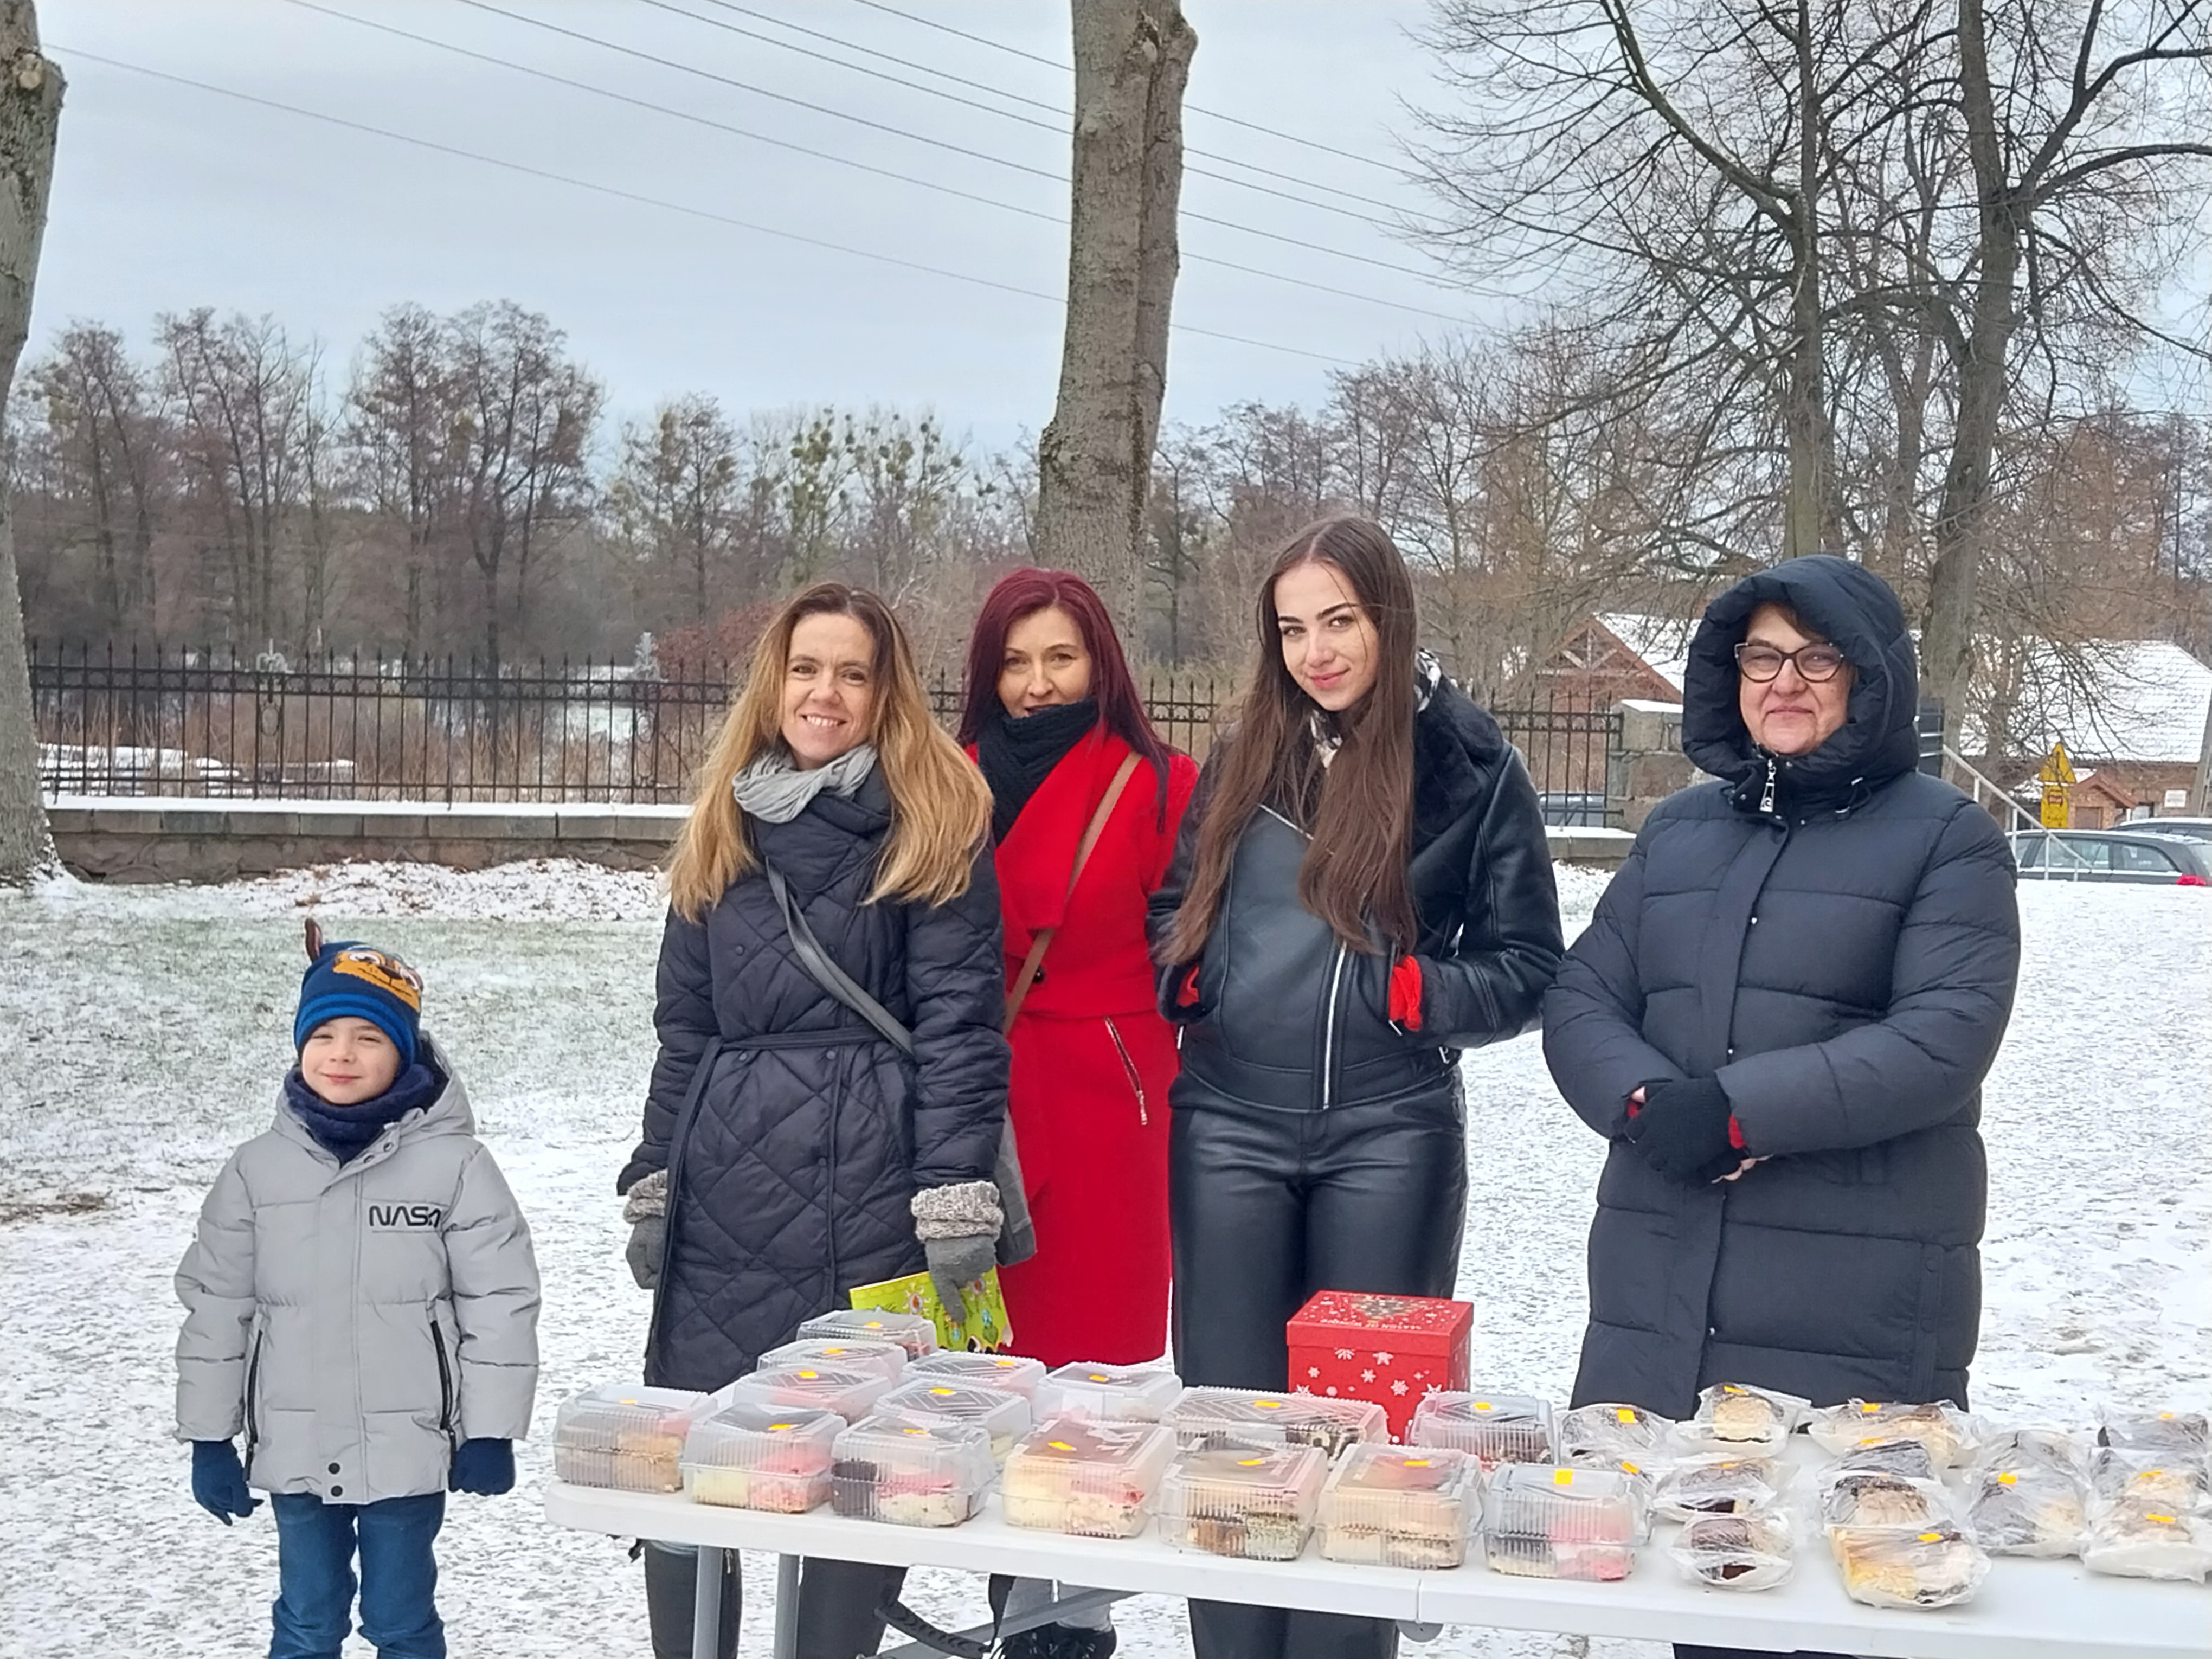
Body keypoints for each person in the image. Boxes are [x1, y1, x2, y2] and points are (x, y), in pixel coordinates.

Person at [1542, 555, 2021, 1659]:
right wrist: (1647, 1102)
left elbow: (1942, 1037)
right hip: (1666, 1282)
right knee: (1708, 1586)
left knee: (1841, 1594)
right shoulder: (1678, 833)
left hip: (1852, 1288)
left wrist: (1740, 1111)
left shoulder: (1948, 838)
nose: (1785, 682)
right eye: (1762, 657)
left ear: (1871, 677)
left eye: (1817, 658)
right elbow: (1583, 996)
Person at [1148, 516, 1565, 1659]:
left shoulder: (1472, 768)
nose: (1317, 652)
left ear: (1389, 616)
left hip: (1391, 1137)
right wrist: (1190, 977)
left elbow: (1533, 965)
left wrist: (1422, 994)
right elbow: (1175, 902)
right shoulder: (1246, 751)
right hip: (1228, 1127)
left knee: (1363, 1440)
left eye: (1339, 621)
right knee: (1234, 1446)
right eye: (1293, 630)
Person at [616, 581, 1009, 1659]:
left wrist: (953, 1197)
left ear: (886, 693)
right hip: (727, 1197)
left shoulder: (936, 820)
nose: (824, 693)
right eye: (805, 669)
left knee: (860, 1467)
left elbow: (961, 1027)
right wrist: (656, 1180)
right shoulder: (722, 824)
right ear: (773, 683)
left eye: (851, 673)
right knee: (700, 1457)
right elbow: (685, 1030)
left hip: (877, 1190)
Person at [176, 926, 541, 1659]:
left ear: (404, 1052)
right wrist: (209, 1437)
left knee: (400, 1620)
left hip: (407, 1448)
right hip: (295, 1447)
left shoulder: (457, 1167)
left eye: (368, 1038)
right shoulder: (255, 1171)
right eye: (324, 1036)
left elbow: (500, 1301)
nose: (341, 1054)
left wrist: (491, 1429)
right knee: (306, 1621)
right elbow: (217, 1308)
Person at [956, 567, 1198, 1659]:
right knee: (993, 1364)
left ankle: (1077, 1618)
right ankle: (1016, 1599)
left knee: (1095, 1377)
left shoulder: (1159, 785)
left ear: (1101, 663)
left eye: (1061, 656)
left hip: (1111, 1105)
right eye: (1016, 661)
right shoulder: (946, 778)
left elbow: (1195, 946)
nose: (1038, 682)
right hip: (980, 1097)